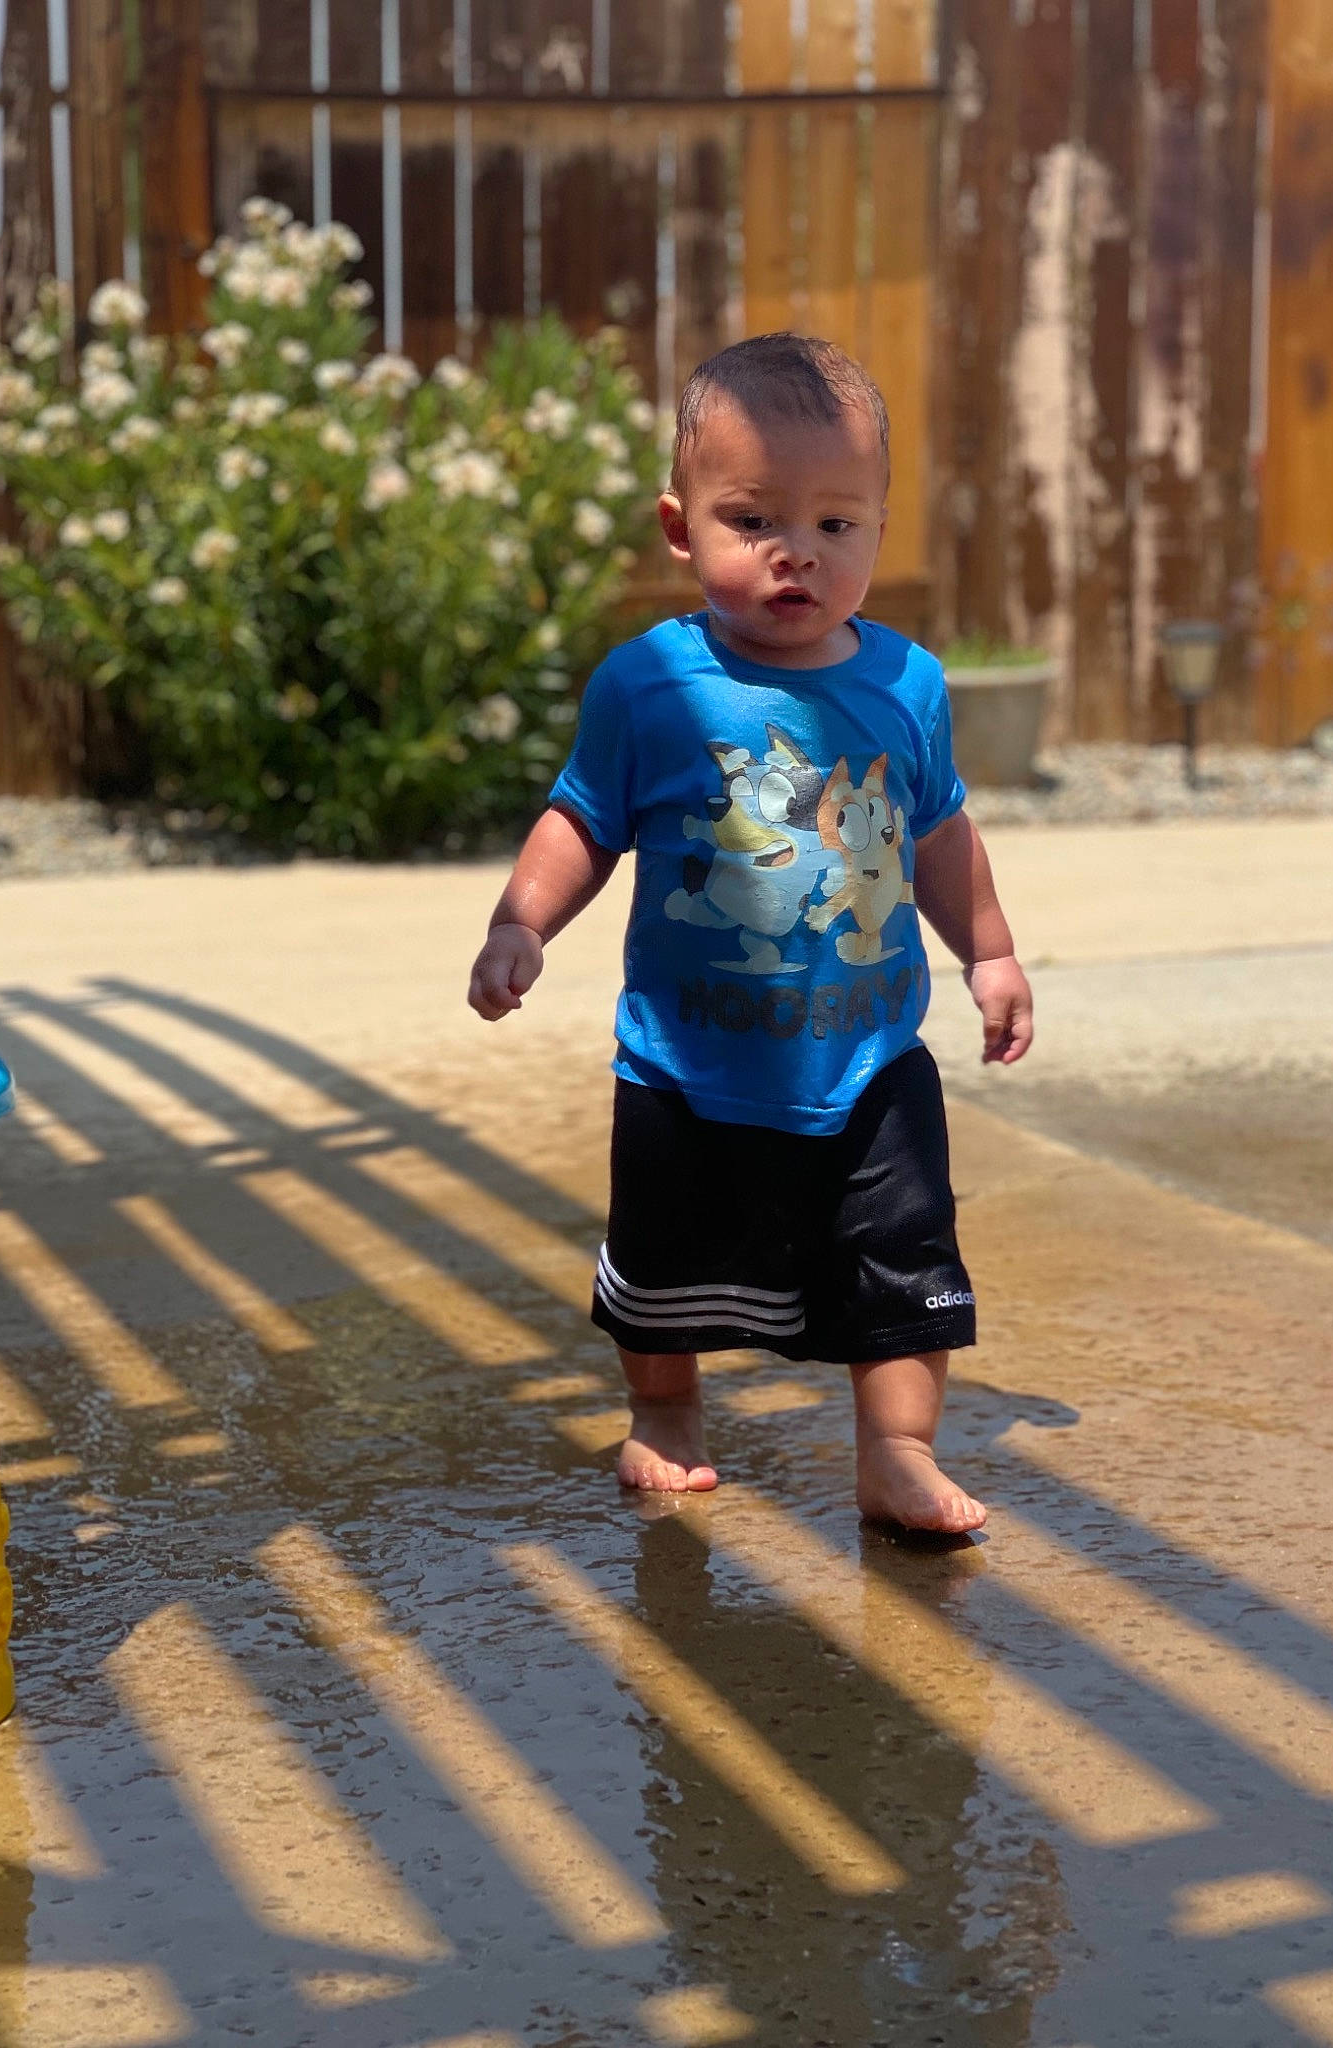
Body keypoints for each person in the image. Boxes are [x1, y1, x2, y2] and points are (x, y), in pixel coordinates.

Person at [467, 333, 1033, 1532]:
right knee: (665, 1261)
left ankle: (895, 1448)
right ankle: (666, 1412)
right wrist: (523, 923)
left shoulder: (909, 684)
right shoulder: (648, 684)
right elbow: (583, 816)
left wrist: (986, 948)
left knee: (903, 1261)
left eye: (838, 524)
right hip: (689, 1060)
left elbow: (937, 830)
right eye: (754, 519)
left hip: (868, 1057)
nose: (799, 553)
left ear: (881, 526)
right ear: (681, 529)